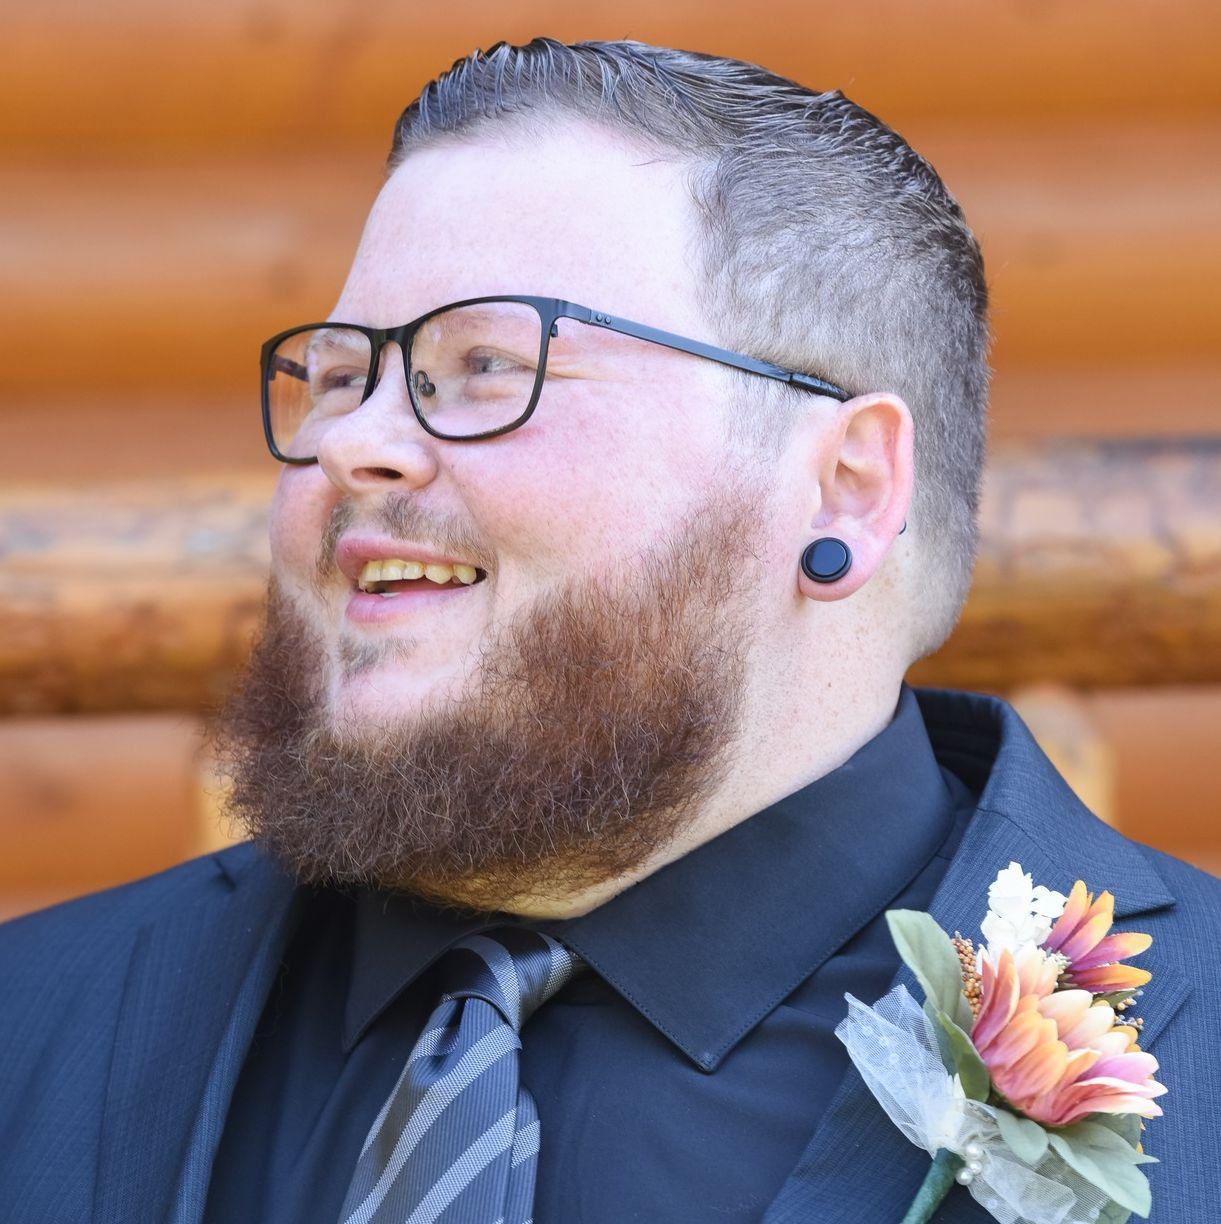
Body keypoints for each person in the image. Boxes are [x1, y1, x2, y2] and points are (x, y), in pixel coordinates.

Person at [1, 37, 1216, 1224]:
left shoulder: (1195, 1044)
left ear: (845, 486)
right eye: (335, 377)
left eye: (488, 363)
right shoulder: (34, 1021)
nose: (350, 444)